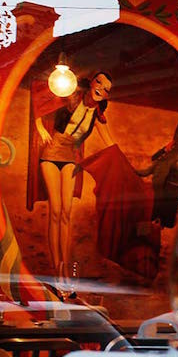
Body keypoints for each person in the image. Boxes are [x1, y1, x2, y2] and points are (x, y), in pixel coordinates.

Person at [27, 71, 112, 278]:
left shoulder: (97, 113)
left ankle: (64, 264)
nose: (101, 88)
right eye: (99, 82)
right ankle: (56, 265)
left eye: (107, 87)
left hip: (70, 157)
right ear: (91, 83)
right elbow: (41, 101)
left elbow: (110, 142)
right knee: (55, 212)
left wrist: (122, 161)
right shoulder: (72, 96)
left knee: (66, 213)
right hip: (51, 152)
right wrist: (40, 127)